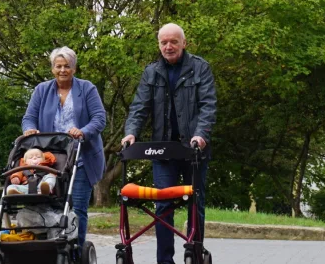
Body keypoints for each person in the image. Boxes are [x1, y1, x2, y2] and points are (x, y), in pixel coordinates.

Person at [122, 23, 217, 264]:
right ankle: (165, 261)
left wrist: (201, 135)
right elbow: (139, 107)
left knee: (196, 203)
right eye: (164, 42)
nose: (168, 46)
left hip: (193, 149)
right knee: (163, 205)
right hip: (163, 150)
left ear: (184, 43)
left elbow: (208, 106)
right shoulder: (151, 72)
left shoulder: (200, 68)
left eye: (173, 41)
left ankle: (194, 254)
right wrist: (131, 133)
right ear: (159, 45)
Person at [22, 46, 107, 249]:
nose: (62, 70)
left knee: (77, 208)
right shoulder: (42, 90)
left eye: (67, 66)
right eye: (58, 66)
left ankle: (76, 250)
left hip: (80, 158)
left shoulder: (87, 89)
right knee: (49, 205)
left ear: (74, 69)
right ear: (52, 69)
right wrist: (30, 130)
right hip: (51, 160)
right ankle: (52, 248)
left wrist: (83, 131)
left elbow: (99, 118)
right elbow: (29, 118)